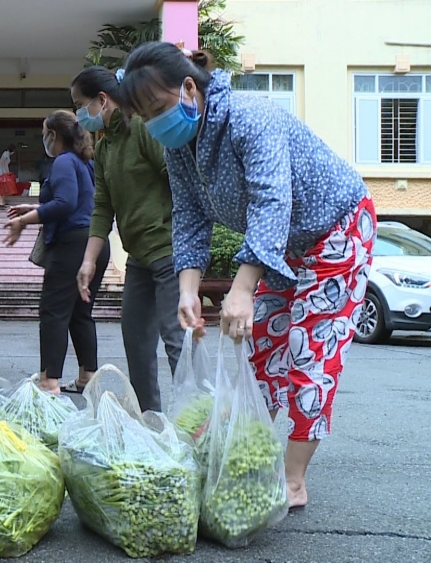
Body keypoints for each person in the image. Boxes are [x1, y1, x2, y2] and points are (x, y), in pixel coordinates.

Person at [119, 42, 376, 508]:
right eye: (146, 117)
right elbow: (190, 217)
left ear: (190, 88)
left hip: (335, 228)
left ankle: (293, 480)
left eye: (158, 109)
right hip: (281, 247)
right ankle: (246, 452)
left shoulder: (248, 117)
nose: (157, 125)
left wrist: (242, 288)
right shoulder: (180, 147)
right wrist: (187, 291)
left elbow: (271, 200)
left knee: (308, 353)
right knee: (260, 354)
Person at [69, 65, 184, 409]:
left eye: (81, 104)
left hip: (169, 249)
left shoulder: (144, 130)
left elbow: (177, 180)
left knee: (176, 338)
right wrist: (89, 260)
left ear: (103, 100)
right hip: (139, 258)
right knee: (135, 340)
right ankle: (152, 424)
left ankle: (201, 426)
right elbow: (102, 207)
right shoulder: (105, 149)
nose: (80, 115)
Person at [4, 111, 106, 394]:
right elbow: (75, 201)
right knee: (80, 313)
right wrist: (33, 209)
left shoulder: (62, 161)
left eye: (43, 133)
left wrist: (24, 220)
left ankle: (49, 381)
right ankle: (87, 377)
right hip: (94, 243)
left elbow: (64, 203)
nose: (42, 139)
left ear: (53, 135)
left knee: (54, 311)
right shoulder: (84, 162)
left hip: (72, 243)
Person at [0, 144, 16, 209]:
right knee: (2, 187)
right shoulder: (6, 154)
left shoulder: (5, 153)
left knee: (4, 187)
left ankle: (3, 201)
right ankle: (0, 202)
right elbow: (3, 162)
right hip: (2, 172)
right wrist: (5, 172)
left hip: (1, 171)